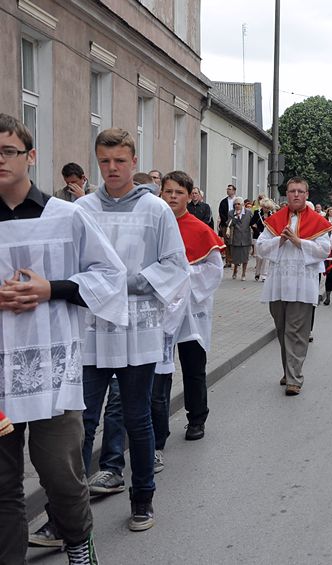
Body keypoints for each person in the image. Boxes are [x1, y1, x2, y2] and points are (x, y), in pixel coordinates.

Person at [0, 114, 126, 564]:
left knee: (61, 474)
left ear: (30, 156)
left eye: (8, 151)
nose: (0, 160)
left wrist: (49, 289)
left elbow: (110, 275)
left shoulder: (66, 216)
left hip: (52, 370)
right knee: (3, 485)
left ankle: (77, 542)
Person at [77, 127, 189, 532]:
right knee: (81, 421)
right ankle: (67, 512)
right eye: (104, 161)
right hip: (93, 330)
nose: (112, 168)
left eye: (119, 161)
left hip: (137, 327)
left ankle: (143, 498)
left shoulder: (155, 209)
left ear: (134, 162)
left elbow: (175, 265)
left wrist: (125, 282)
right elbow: (71, 262)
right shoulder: (82, 209)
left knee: (137, 417)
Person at [151, 171, 224, 472]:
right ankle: (158, 431)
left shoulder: (200, 229)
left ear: (189, 195)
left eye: (178, 192)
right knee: (160, 372)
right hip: (161, 311)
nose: (172, 197)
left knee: (194, 367)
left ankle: (197, 418)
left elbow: (214, 271)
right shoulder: (153, 226)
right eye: (168, 191)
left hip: (191, 311)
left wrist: (181, 279)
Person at [257, 177, 331, 396]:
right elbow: (260, 248)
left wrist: (299, 242)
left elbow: (324, 250)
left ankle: (294, 378)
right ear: (287, 194)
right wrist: (280, 240)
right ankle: (288, 370)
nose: (296, 194)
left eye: (300, 191)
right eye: (292, 191)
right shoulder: (276, 219)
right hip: (278, 284)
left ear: (306, 195)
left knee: (296, 332)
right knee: (282, 330)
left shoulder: (317, 221)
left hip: (302, 284)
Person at [228, 197, 252, 281]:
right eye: (235, 204)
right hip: (236, 237)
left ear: (242, 205)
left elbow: (252, 222)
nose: (236, 206)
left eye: (238, 204)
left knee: (245, 257)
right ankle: (235, 271)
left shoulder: (248, 212)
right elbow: (229, 224)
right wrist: (236, 217)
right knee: (236, 257)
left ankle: (244, 273)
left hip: (246, 237)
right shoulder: (231, 213)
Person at [251, 199, 274, 281]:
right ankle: (257, 273)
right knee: (259, 256)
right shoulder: (257, 213)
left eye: (268, 208)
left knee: (266, 257)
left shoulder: (272, 214)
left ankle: (264, 275)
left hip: (268, 238)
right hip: (258, 236)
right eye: (265, 207)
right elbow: (252, 223)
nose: (266, 209)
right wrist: (256, 229)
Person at [219, 184, 237, 267]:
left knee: (235, 242)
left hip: (236, 224)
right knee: (227, 242)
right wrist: (226, 222)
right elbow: (221, 212)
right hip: (226, 224)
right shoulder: (223, 201)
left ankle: (236, 259)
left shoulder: (238, 201)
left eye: (230, 189)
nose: (228, 190)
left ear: (234, 191)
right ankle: (228, 261)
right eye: (227, 189)